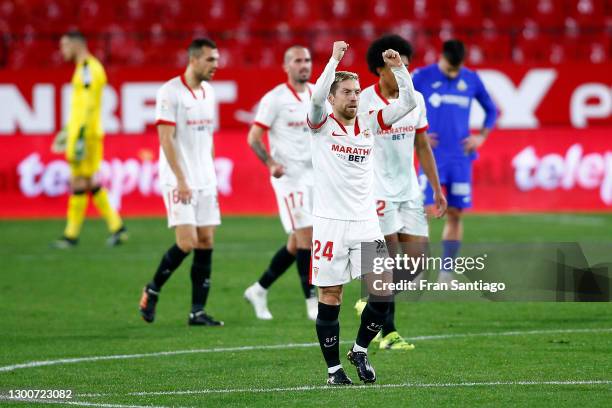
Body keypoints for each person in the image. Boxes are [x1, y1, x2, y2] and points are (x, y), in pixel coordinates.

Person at [309, 41, 417, 385]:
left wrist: (399, 68)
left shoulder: (370, 122)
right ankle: (333, 370)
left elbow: (410, 102)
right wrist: (334, 59)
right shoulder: (321, 124)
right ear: (332, 97)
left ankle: (358, 349)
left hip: (366, 222)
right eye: (346, 92)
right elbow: (314, 98)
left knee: (382, 292)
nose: (355, 97)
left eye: (357, 91)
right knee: (332, 296)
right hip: (330, 224)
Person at [355, 35, 447, 349]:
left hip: (409, 190)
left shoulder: (416, 99)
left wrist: (435, 187)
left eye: (406, 67)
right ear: (379, 69)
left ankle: (370, 301)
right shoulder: (364, 102)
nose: (403, 73)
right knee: (389, 261)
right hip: (377, 189)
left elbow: (421, 143)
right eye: (396, 68)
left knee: (417, 263)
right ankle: (388, 332)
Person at [138, 38, 223, 326]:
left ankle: (197, 311)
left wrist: (210, 172)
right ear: (194, 59)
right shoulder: (170, 92)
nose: (216, 65)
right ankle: (152, 289)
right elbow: (166, 140)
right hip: (179, 180)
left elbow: (208, 135)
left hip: (205, 179)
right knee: (186, 242)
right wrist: (181, 179)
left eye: (217, 59)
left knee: (206, 241)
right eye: (211, 59)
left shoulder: (209, 92)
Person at [412, 40, 497, 282]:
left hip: (461, 158)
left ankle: (446, 272)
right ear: (441, 57)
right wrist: (418, 133)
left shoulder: (471, 78)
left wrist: (481, 136)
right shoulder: (421, 76)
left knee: (456, 213)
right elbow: (399, 103)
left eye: (456, 68)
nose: (453, 73)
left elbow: (492, 111)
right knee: (423, 212)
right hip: (432, 156)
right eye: (450, 67)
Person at [243, 46, 318, 321]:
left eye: (307, 60)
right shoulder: (274, 99)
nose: (304, 65)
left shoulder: (315, 95)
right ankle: (312, 301)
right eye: (298, 60)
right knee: (307, 237)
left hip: (313, 177)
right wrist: (271, 163)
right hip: (289, 178)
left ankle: (259, 289)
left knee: (296, 243)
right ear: (286, 66)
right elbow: (253, 137)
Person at [51, 30, 127, 248]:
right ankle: (116, 227)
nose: (62, 51)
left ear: (77, 45)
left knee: (79, 182)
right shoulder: (85, 68)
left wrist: (80, 135)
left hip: (86, 135)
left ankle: (71, 235)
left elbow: (88, 106)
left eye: (65, 46)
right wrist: (67, 130)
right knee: (88, 181)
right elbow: (81, 106)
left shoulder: (87, 69)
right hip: (83, 132)